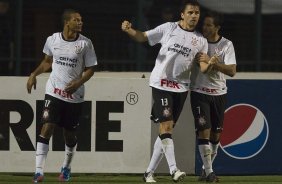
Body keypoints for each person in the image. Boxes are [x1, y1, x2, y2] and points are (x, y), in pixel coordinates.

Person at [121, 0, 217, 182]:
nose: (194, 16)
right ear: (182, 14)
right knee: (166, 126)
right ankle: (174, 170)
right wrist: (129, 30)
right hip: (161, 83)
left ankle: (148, 172)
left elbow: (203, 67)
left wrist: (210, 64)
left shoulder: (201, 40)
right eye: (190, 12)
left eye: (197, 13)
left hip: (181, 87)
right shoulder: (169, 28)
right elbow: (143, 37)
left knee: (167, 129)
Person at [26, 9, 97, 183]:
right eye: (76, 20)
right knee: (47, 127)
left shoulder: (85, 43)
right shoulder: (53, 39)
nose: (80, 22)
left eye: (81, 20)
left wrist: (78, 83)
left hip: (74, 95)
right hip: (54, 90)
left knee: (69, 135)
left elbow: (91, 70)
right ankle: (38, 171)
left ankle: (66, 167)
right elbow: (47, 62)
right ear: (67, 22)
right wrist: (34, 74)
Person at [190, 11, 237, 182]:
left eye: (209, 25)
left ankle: (205, 169)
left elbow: (232, 71)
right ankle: (210, 173)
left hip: (219, 94)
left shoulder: (226, 45)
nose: (205, 27)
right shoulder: (198, 42)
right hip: (199, 92)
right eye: (204, 24)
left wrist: (214, 62)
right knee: (204, 131)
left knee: (215, 136)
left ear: (217, 27)